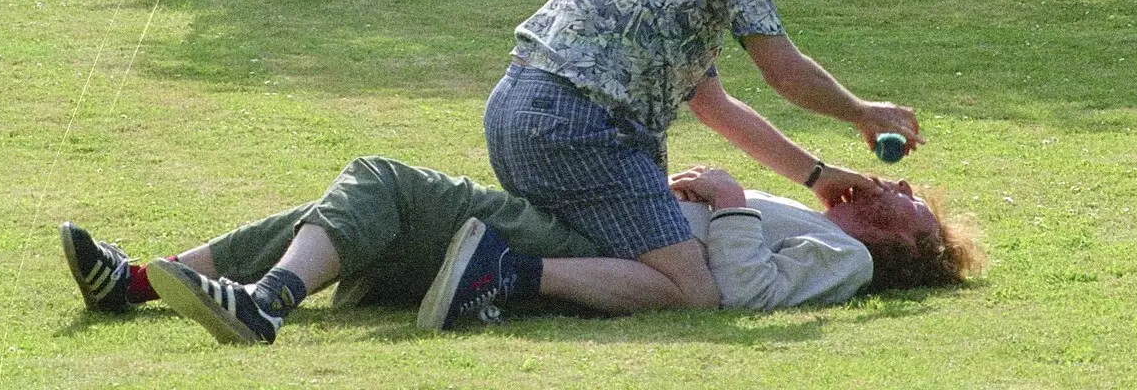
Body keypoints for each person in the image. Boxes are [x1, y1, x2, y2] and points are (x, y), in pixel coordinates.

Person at [483, 0, 925, 311]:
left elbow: (715, 107)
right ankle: (505, 272)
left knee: (621, 257)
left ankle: (495, 274)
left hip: (513, 114)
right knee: (691, 291)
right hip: (577, 128)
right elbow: (781, 69)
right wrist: (863, 113)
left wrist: (817, 178)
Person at [58, 156, 980, 346]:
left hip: (593, 246)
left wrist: (730, 203)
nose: (899, 191)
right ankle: (134, 282)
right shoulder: (834, 223)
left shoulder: (850, 265)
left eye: (912, 210)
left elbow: (739, 290)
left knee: (380, 181)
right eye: (904, 191)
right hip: (613, 224)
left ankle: (264, 304)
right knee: (348, 209)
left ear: (904, 253)